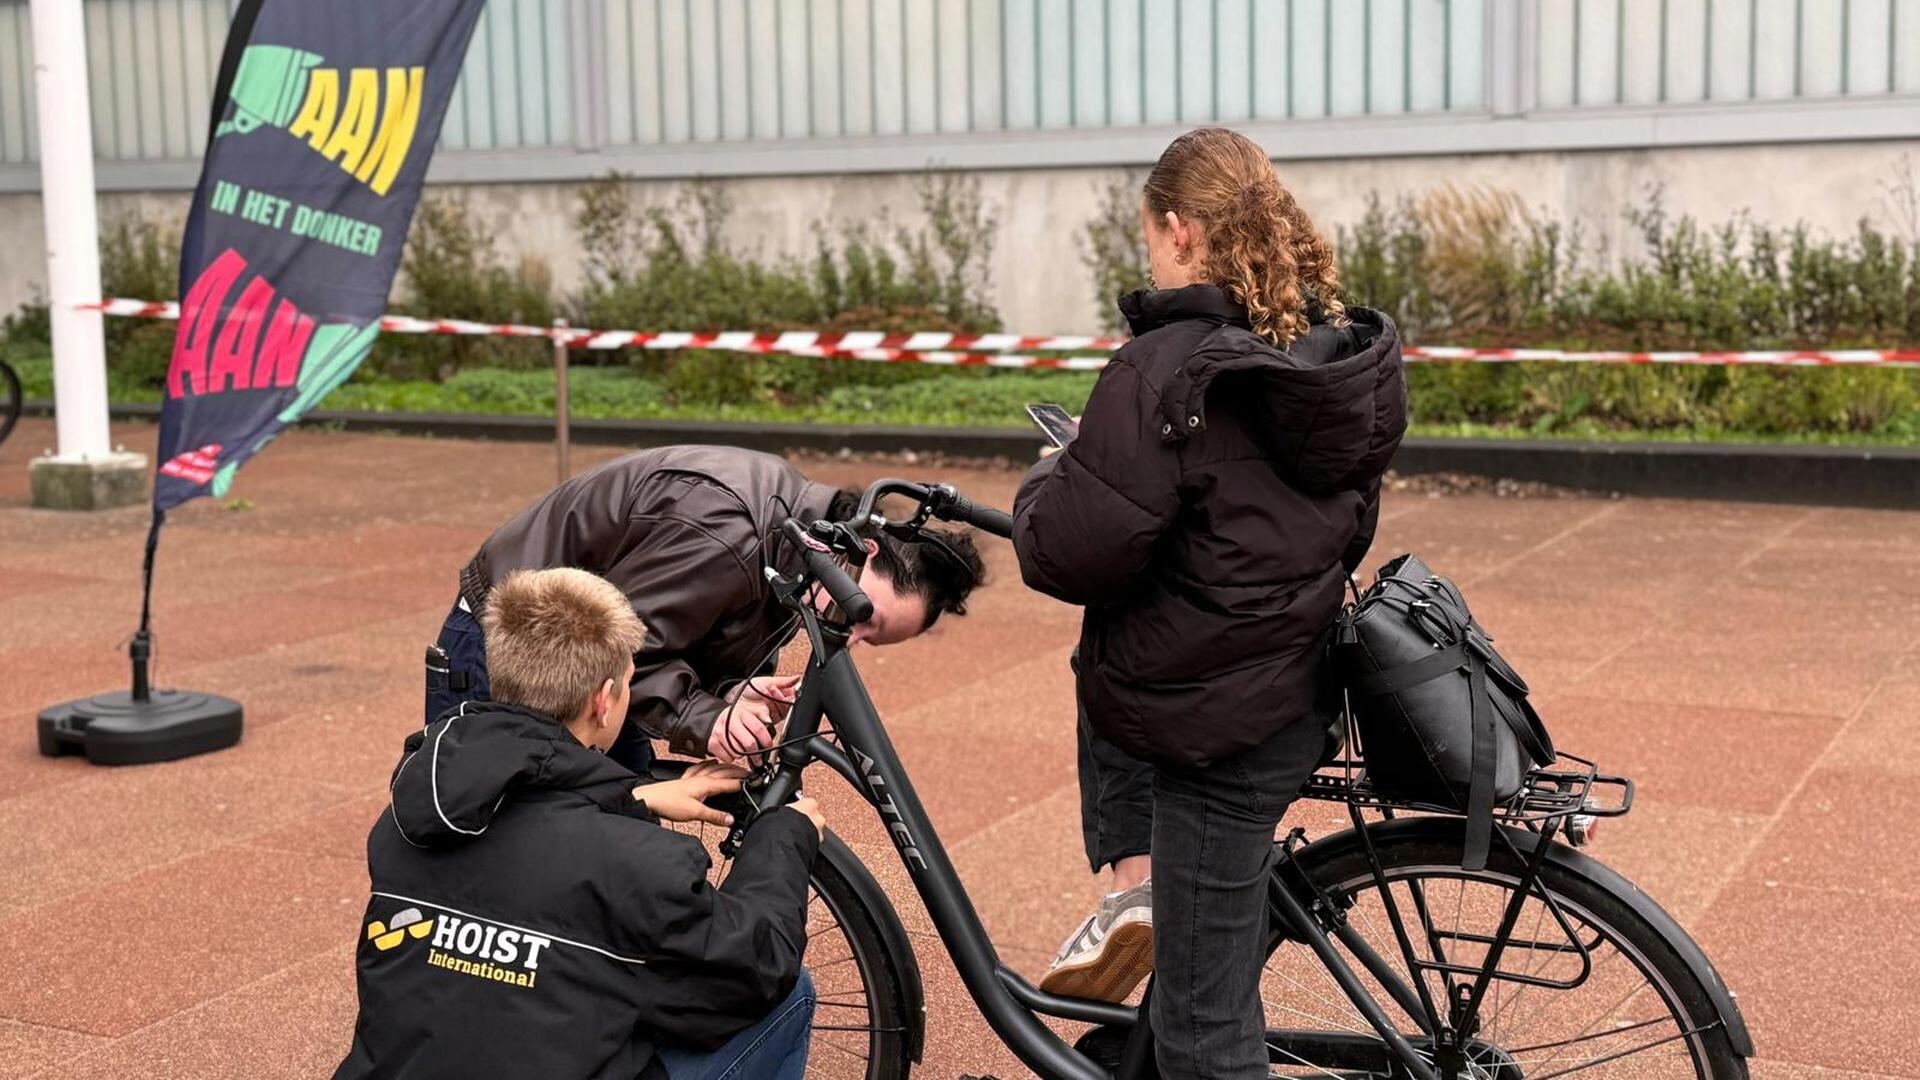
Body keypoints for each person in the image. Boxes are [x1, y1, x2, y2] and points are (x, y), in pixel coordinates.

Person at [1013, 127, 1408, 1078]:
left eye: (1149, 234)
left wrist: (1048, 480)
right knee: (1200, 956)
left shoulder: (1163, 368)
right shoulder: (1330, 356)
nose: (1149, 252)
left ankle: (1148, 900)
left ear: (1181, 231)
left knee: (1202, 1032)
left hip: (1214, 728)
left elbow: (1067, 553)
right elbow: (1338, 522)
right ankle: (1150, 897)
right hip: (1294, 686)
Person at [335, 567, 828, 1080]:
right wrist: (782, 840)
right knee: (791, 992)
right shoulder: (638, 862)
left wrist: (630, 800)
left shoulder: (412, 817)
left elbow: (530, 854)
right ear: (603, 698)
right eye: (631, 683)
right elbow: (755, 969)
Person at [429, 445, 984, 774]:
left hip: (581, 657)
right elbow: (615, 651)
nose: (852, 638)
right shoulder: (727, 532)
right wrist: (709, 716)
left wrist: (733, 691)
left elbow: (688, 624)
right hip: (507, 639)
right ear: (862, 551)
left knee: (595, 850)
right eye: (865, 618)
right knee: (492, 866)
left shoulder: (810, 548)